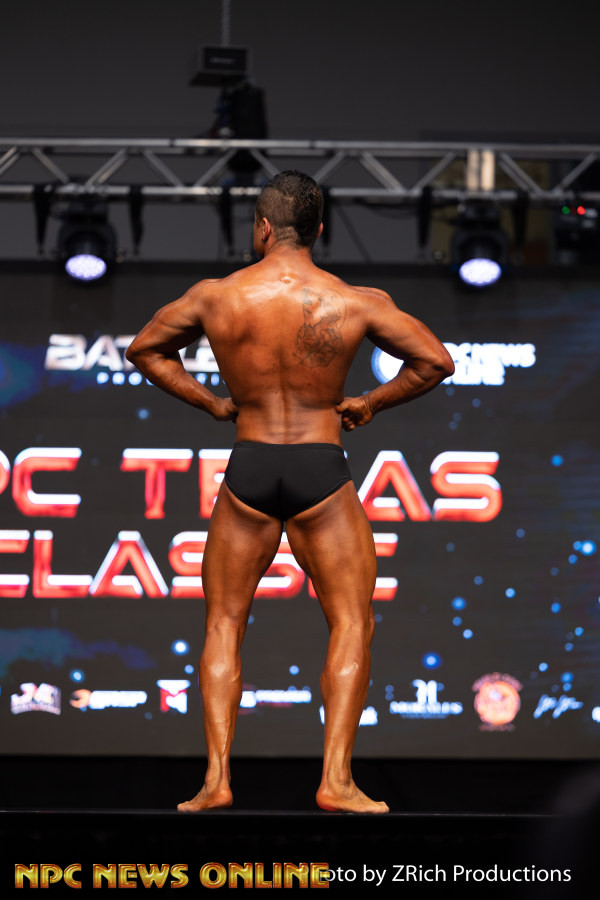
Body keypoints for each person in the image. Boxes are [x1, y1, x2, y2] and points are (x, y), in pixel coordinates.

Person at [126, 171, 454, 814]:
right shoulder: (356, 300)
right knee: (352, 621)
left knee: (224, 622)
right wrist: (370, 402)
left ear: (262, 228)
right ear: (318, 231)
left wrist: (212, 403)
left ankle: (216, 780)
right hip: (320, 470)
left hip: (249, 466)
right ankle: (336, 781)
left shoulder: (217, 297)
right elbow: (436, 362)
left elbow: (146, 350)